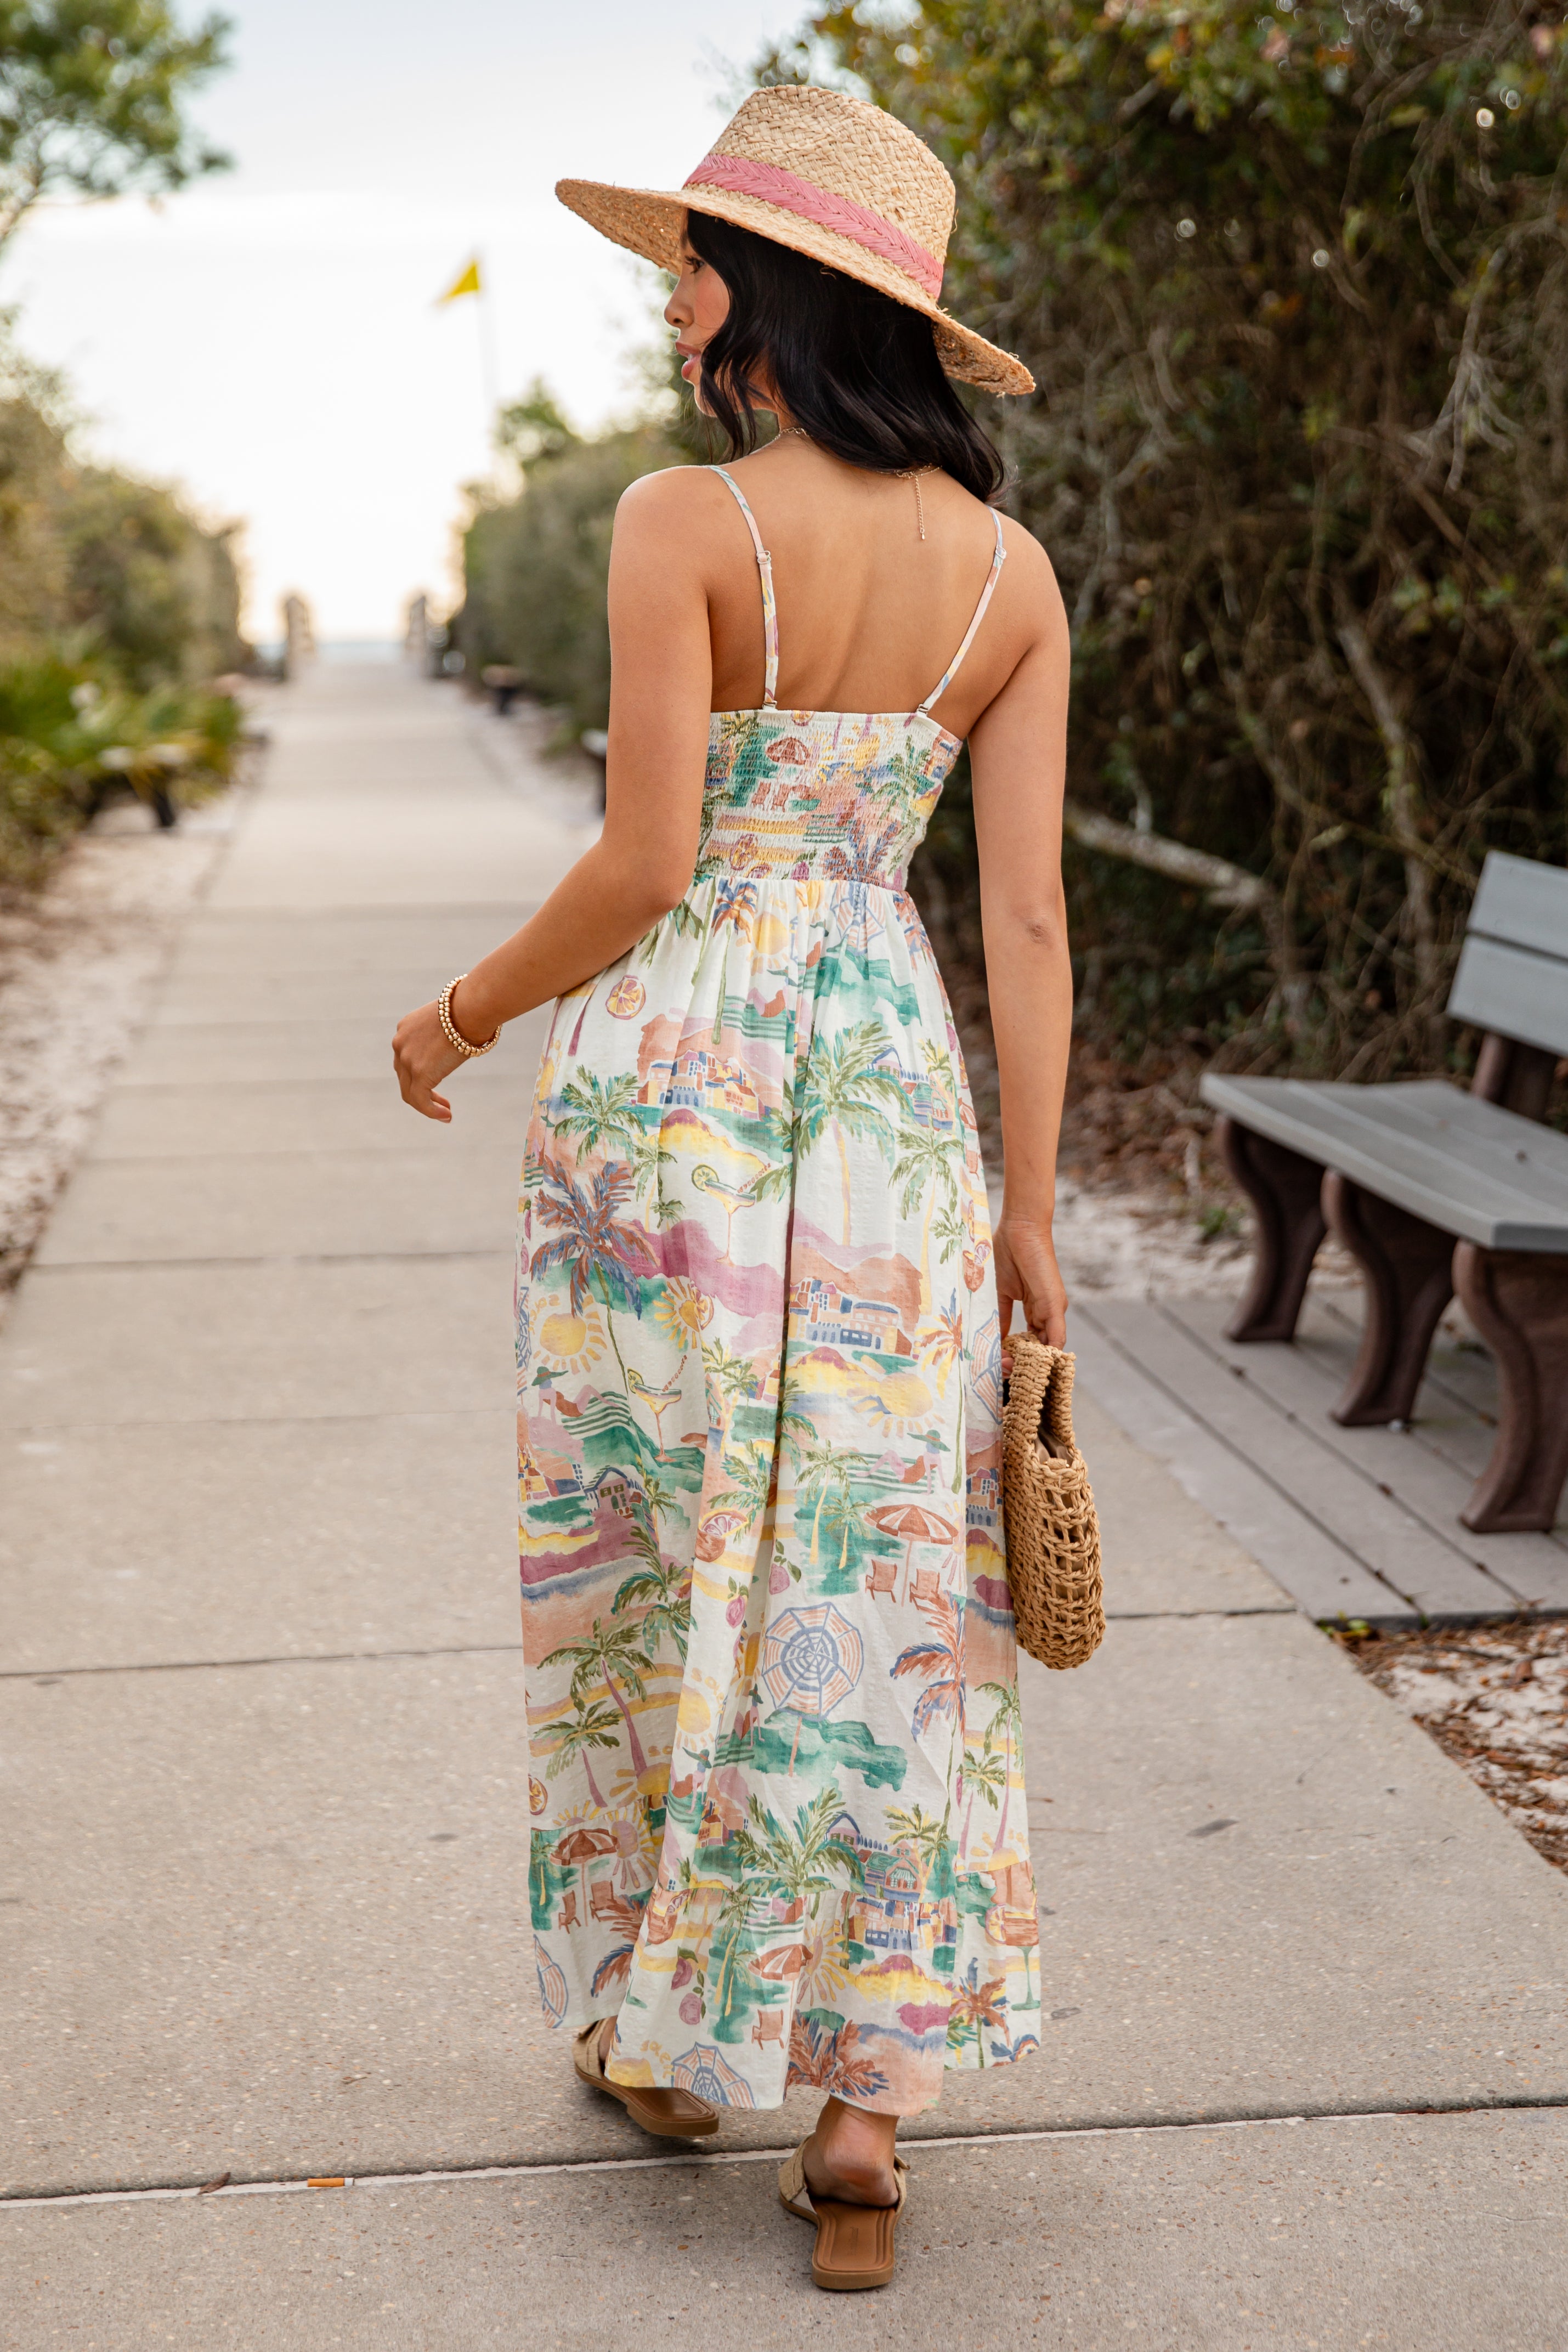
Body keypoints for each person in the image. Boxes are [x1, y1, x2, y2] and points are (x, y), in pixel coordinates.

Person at [392, 83, 1072, 2293]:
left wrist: (464, 1011)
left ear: (761, 297)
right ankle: (866, 2104)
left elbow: (649, 860)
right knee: (880, 1555)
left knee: (661, 1541)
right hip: (887, 1090)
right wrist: (1034, 1216)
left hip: (677, 1087)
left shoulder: (686, 523)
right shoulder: (1009, 575)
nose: (670, 293)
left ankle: (667, 2029)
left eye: (689, 256)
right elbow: (1036, 928)